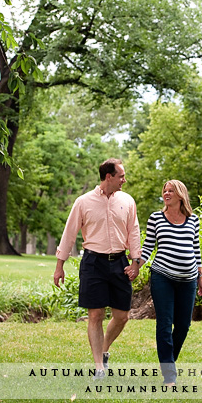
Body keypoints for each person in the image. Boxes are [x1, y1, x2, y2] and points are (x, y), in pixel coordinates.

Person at [54, 158, 141, 379]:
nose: (124, 180)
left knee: (122, 316)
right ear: (108, 176)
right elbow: (69, 233)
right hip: (93, 263)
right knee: (96, 314)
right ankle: (99, 368)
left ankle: (103, 351)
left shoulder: (128, 201)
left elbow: (134, 232)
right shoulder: (83, 202)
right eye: (121, 176)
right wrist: (59, 265)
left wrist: (135, 261)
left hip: (120, 262)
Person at [125, 180, 202, 386]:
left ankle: (168, 361)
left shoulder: (193, 220)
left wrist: (200, 278)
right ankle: (169, 374)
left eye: (171, 191)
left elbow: (196, 250)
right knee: (164, 323)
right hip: (162, 276)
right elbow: (148, 247)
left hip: (188, 280)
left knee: (183, 326)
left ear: (181, 195)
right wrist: (136, 265)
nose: (166, 193)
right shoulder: (156, 218)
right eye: (165, 191)